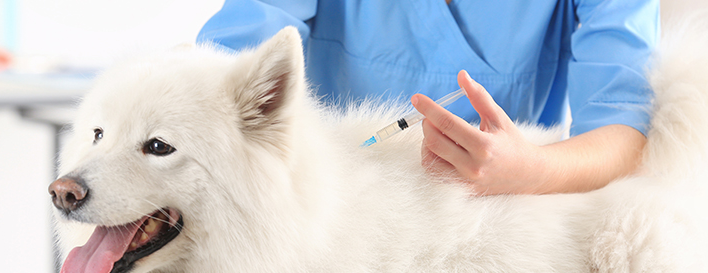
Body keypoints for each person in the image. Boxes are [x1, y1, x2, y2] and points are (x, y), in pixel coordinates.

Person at [197, 0, 660, 195]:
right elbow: (217, 73)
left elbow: (624, 133)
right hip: (331, 205)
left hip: (494, 226)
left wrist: (530, 169)